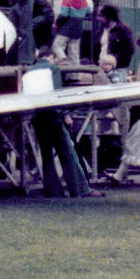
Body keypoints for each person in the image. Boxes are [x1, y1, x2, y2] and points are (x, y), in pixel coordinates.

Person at [28, 46, 104, 198]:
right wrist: (64, 115)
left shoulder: (29, 71)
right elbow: (56, 95)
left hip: (37, 117)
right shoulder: (53, 69)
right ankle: (80, 189)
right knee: (68, 153)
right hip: (53, 116)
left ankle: (53, 190)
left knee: (46, 155)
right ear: (51, 57)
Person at [52, 0, 91, 64]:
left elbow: (64, 15)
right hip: (78, 28)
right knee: (74, 52)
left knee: (57, 45)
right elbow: (88, 11)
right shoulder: (83, 0)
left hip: (67, 27)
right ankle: (75, 75)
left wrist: (57, 23)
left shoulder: (67, 0)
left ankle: (63, 59)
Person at [97, 4, 135, 72]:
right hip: (101, 68)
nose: (98, 19)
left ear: (110, 17)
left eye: (101, 16)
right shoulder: (101, 30)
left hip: (118, 69)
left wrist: (112, 62)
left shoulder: (124, 30)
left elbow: (129, 50)